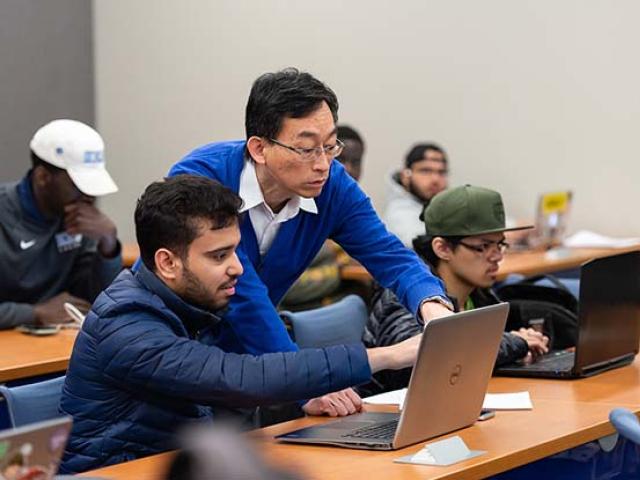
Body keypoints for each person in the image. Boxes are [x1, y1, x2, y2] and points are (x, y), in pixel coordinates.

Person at [59, 175, 426, 474]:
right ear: (168, 263)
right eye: (219, 256)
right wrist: (389, 355)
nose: (237, 267)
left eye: (236, 250)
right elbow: (239, 378)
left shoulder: (196, 303)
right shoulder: (126, 323)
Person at [168, 68, 453, 412]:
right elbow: (244, 295)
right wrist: (304, 384)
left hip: (251, 366)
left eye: (330, 145)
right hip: (177, 351)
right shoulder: (202, 179)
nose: (323, 164)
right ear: (259, 148)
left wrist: (431, 304)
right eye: (306, 149)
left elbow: (388, 253)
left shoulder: (331, 185)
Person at [363, 185, 549, 393]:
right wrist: (514, 343)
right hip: (387, 416)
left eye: (499, 245)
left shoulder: (478, 294)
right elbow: (418, 364)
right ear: (442, 248)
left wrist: (520, 345)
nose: (497, 256)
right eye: (482, 247)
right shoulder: (407, 296)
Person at [0, 119, 121, 329]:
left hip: (56, 345)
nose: (88, 197)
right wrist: (33, 313)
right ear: (43, 177)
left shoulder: (78, 220)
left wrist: (108, 245)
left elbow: (101, 301)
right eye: (79, 186)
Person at [279, 124, 366, 310]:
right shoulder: (292, 206)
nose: (348, 169)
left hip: (343, 312)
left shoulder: (353, 208)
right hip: (297, 319)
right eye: (340, 159)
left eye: (356, 162)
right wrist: (338, 271)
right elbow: (284, 285)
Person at [383, 143, 449, 247]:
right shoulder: (399, 214)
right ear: (405, 176)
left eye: (441, 172)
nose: (435, 179)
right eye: (425, 171)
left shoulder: (443, 209)